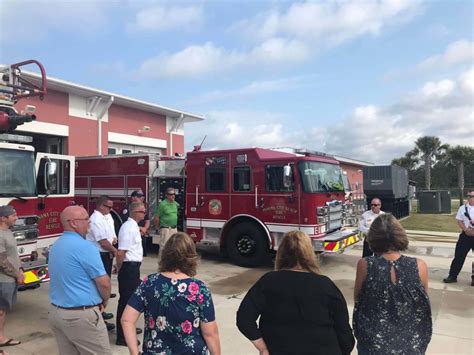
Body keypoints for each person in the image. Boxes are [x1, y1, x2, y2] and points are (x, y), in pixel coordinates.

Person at [236, 230, 354, 355]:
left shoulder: (268, 281)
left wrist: (263, 348)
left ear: (281, 253)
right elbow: (344, 333)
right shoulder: (326, 285)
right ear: (310, 254)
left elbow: (244, 318)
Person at [121, 232, 221, 355]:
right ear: (191, 257)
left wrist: (134, 352)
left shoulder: (149, 283)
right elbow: (210, 333)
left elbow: (127, 320)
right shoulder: (198, 289)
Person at [353, 213, 432, 355]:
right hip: (411, 342)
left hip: (374, 343)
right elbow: (423, 301)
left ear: (373, 237)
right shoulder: (420, 265)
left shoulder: (365, 265)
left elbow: (358, 299)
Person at [48, 206, 112, 355]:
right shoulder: (86, 247)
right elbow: (104, 282)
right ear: (73, 223)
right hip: (80, 316)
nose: (89, 222)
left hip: (57, 313)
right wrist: (105, 299)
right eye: (85, 219)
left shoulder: (56, 246)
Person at [115, 201, 145, 346]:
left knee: (131, 300)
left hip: (133, 267)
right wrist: (120, 268)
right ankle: (122, 336)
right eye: (142, 212)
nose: (144, 214)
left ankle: (127, 328)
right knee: (126, 301)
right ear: (135, 213)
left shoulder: (134, 226)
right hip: (128, 267)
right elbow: (121, 253)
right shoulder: (128, 228)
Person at [85, 195, 117, 330]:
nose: (111, 210)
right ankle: (98, 317)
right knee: (100, 285)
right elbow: (103, 242)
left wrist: (114, 240)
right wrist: (116, 252)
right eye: (108, 207)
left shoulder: (107, 216)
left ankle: (101, 312)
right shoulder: (95, 219)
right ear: (101, 206)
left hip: (106, 253)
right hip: (99, 255)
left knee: (106, 281)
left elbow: (110, 234)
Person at [0, 206, 24, 348]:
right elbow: (2, 261)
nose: (16, 218)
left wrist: (20, 269)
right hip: (3, 280)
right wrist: (17, 275)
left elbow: (13, 254)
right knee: (1, 311)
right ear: (3, 218)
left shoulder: (8, 231)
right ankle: (1, 339)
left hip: (10, 278)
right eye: (13, 215)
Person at [443, 190, 474, 286]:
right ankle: (452, 276)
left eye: (472, 196)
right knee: (459, 256)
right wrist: (465, 229)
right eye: (469, 196)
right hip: (466, 236)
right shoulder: (462, 208)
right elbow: (459, 220)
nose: (471, 198)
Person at [122, 190, 150, 257]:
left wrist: (145, 229)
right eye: (139, 197)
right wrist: (141, 228)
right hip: (133, 232)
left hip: (142, 233)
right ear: (133, 198)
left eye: (141, 197)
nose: (141, 198)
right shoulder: (128, 208)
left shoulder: (142, 207)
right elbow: (126, 222)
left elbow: (147, 220)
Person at [154, 187, 179, 259]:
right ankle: (161, 263)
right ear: (166, 195)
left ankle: (170, 263)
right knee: (164, 247)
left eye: (174, 194)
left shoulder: (175, 204)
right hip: (166, 229)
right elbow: (156, 217)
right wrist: (158, 227)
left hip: (174, 228)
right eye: (171, 194)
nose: (173, 196)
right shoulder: (163, 204)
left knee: (174, 246)